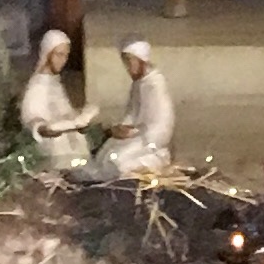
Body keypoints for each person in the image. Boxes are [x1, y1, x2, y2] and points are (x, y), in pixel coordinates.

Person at [99, 39, 178, 176]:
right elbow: (132, 114)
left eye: (130, 62)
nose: (128, 68)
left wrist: (137, 135)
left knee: (118, 162)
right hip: (136, 136)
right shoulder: (138, 84)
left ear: (142, 61)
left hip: (150, 142)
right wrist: (122, 128)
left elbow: (162, 126)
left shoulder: (155, 84)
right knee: (104, 155)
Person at [17, 28, 90, 172]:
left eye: (66, 55)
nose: (63, 60)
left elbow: (64, 109)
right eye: (59, 54)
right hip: (52, 146)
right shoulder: (37, 85)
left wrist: (79, 118)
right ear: (48, 53)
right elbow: (33, 120)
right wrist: (49, 128)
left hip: (68, 142)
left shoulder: (54, 81)